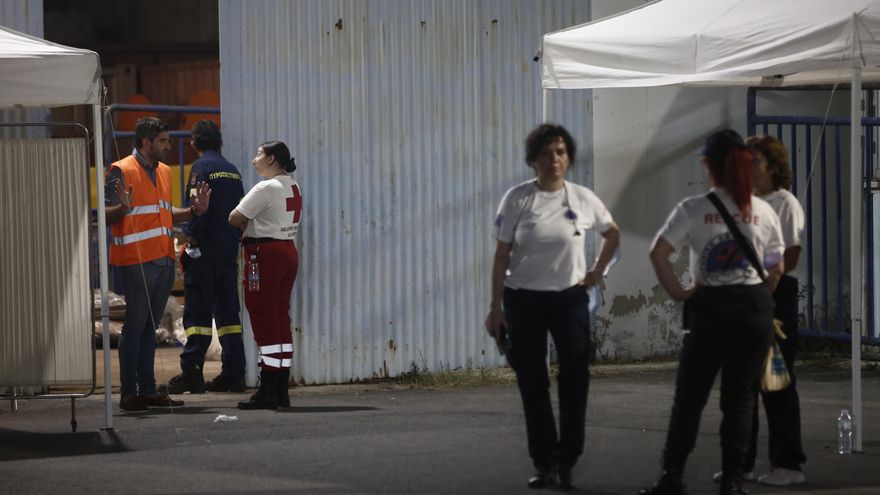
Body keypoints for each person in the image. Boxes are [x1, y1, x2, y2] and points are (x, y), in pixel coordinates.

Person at [640, 129, 785, 495]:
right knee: (740, 402)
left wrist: (681, 293)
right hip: (752, 312)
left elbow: (658, 252)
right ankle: (733, 482)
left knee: (689, 399)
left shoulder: (694, 208)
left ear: (708, 165)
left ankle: (672, 476)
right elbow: (776, 267)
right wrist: (757, 298)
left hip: (710, 312)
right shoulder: (764, 211)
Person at [484, 123, 620, 490]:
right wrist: (495, 308)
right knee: (533, 380)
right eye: (546, 152)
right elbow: (501, 256)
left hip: (569, 299)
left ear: (569, 156)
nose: (554, 159)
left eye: (560, 151)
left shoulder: (581, 198)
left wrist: (597, 272)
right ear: (533, 159)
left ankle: (567, 461)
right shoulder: (517, 199)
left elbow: (612, 233)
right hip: (523, 299)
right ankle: (543, 462)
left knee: (575, 377)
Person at [106, 117, 211, 412]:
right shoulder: (120, 169)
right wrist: (119, 209)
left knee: (148, 327)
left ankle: (148, 391)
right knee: (136, 325)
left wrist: (193, 211)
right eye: (163, 141)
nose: (169, 145)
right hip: (137, 260)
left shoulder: (164, 171)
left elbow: (165, 213)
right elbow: (104, 213)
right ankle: (129, 394)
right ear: (145, 143)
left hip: (163, 259)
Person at [736, 135, 806, 486]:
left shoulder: (784, 203)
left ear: (774, 167)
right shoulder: (742, 202)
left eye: (756, 163)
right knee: (744, 383)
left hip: (776, 296)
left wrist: (768, 285)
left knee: (775, 380)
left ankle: (788, 465)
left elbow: (791, 253)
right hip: (746, 293)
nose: (748, 169)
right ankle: (743, 463)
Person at [164, 120, 247, 395]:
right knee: (228, 313)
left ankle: (192, 373)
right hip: (228, 250)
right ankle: (234, 373)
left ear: (195, 143)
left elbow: (198, 208)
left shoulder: (201, 168)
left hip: (205, 250)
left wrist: (190, 239)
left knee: (198, 312)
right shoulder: (233, 171)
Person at [228, 141, 301, 410]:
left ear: (271, 159)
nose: (254, 159)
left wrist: (248, 220)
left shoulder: (265, 187)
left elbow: (234, 217)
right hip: (287, 252)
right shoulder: (292, 185)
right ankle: (280, 388)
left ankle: (269, 390)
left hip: (265, 254)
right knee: (280, 316)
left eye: (258, 154)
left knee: (263, 315)